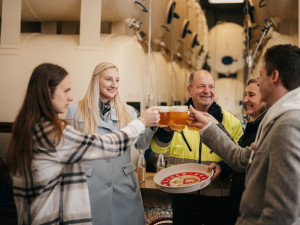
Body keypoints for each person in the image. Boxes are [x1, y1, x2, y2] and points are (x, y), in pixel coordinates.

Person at [5, 63, 159, 225]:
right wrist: (141, 122)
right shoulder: (52, 133)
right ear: (48, 92)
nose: (70, 97)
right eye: (66, 91)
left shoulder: (27, 127)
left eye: (117, 80)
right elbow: (106, 145)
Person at [188, 44, 300, 225]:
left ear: (274, 76)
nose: (259, 81)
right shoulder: (277, 119)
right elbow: (243, 159)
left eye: (261, 75)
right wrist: (207, 127)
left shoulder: (289, 124)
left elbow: (282, 212)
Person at [65, 62, 156, 225]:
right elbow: (68, 153)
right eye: (108, 79)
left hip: (124, 188)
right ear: (95, 80)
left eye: (117, 80)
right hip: (90, 187)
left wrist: (153, 126)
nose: (114, 85)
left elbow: (141, 145)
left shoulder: (129, 112)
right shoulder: (74, 110)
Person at [151, 69, 244, 225]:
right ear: (189, 89)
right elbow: (157, 150)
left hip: (219, 202)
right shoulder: (176, 117)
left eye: (211, 86)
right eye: (201, 86)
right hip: (183, 199)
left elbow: (240, 160)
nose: (207, 91)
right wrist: (165, 131)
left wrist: (223, 168)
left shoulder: (231, 121)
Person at [229, 77, 268, 224]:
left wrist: (213, 129)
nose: (245, 100)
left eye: (251, 95)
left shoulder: (264, 129)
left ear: (266, 97)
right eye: (246, 95)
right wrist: (222, 166)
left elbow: (241, 160)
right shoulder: (253, 127)